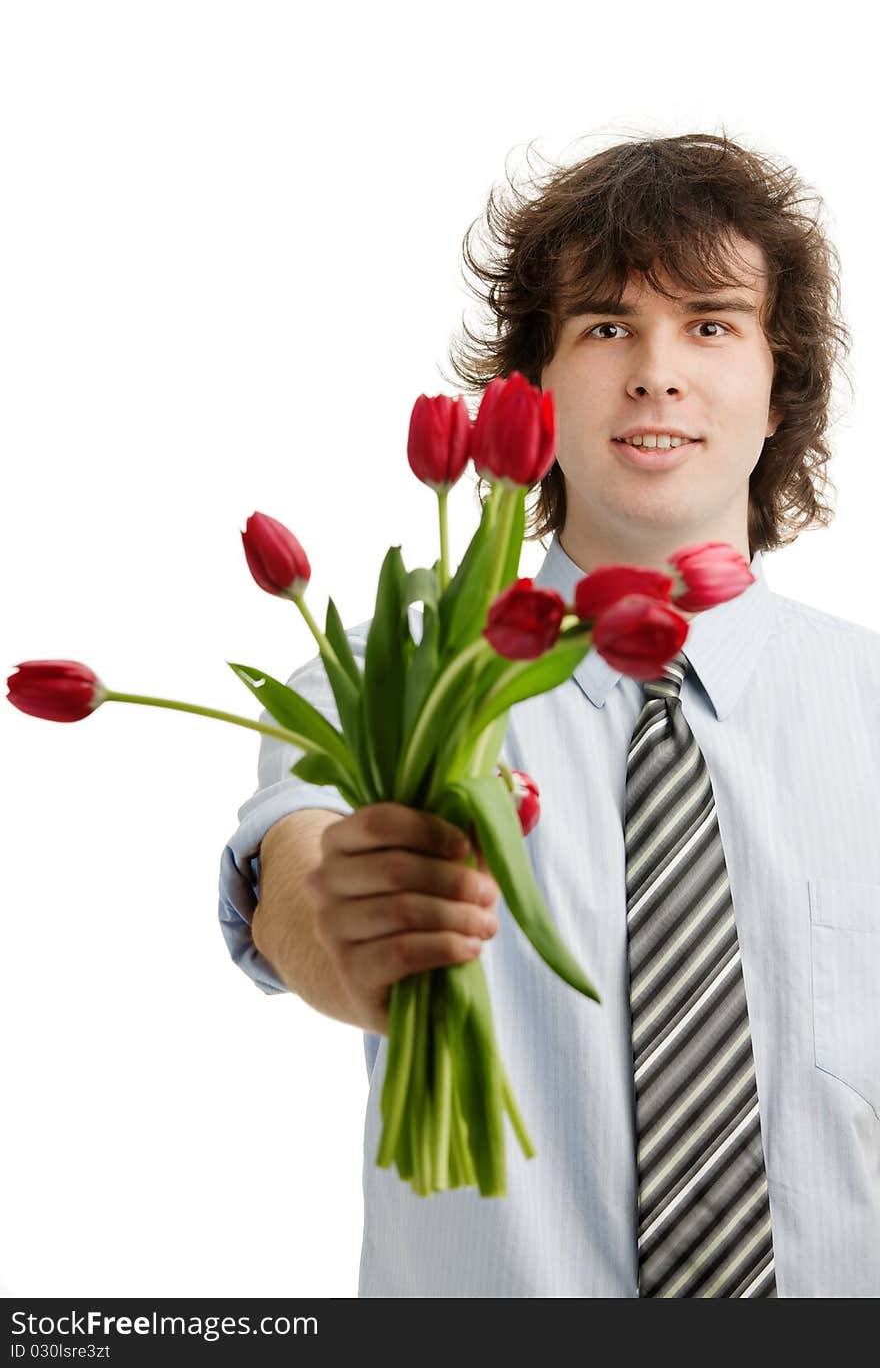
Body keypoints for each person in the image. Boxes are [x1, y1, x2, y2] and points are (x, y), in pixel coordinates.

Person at [218, 131, 880, 1297]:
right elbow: (296, 867)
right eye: (606, 326)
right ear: (530, 387)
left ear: (779, 388)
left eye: (711, 322)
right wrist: (348, 924)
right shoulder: (394, 671)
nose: (656, 372)